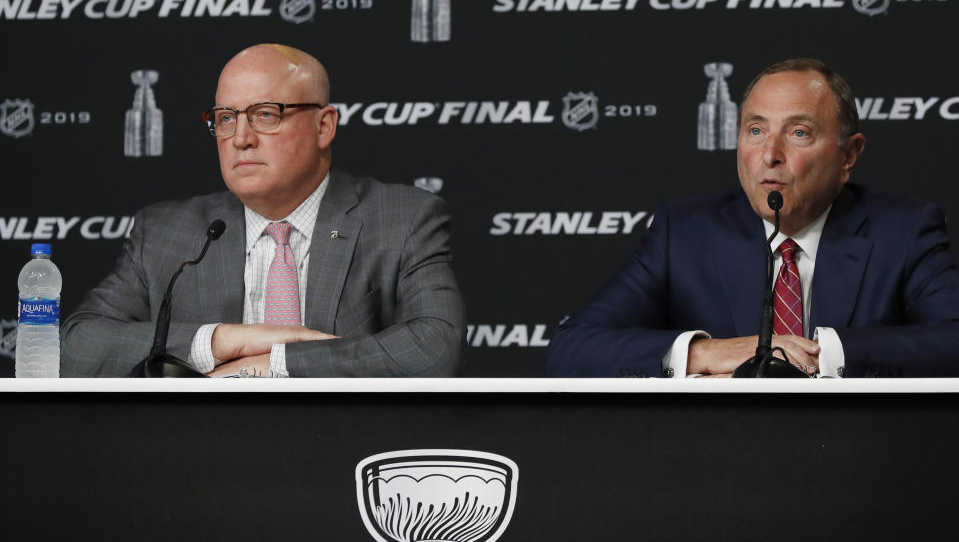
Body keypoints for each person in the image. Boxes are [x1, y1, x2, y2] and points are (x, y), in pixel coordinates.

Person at [61, 44, 466, 377]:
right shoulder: (168, 233)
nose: (240, 138)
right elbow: (76, 347)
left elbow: (435, 347)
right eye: (225, 118)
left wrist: (274, 362)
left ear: (324, 126)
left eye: (266, 115)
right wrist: (221, 342)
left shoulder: (401, 219)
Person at [546, 58, 959, 378]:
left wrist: (826, 354)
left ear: (849, 154)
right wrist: (702, 353)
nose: (770, 154)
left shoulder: (903, 231)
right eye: (755, 130)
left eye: (798, 132)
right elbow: (571, 350)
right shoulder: (685, 234)